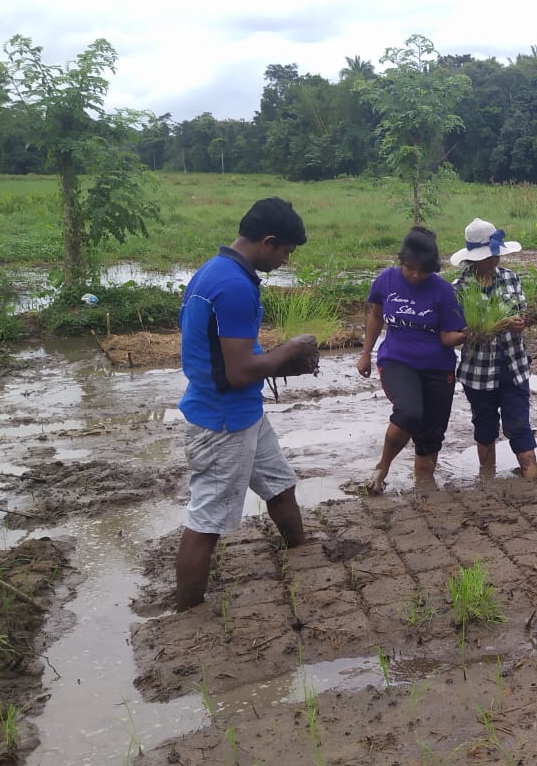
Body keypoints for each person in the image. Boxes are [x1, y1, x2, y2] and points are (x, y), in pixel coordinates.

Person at [176, 197, 321, 611]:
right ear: (268, 241)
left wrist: (282, 363)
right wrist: (291, 349)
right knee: (207, 522)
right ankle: (187, 614)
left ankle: (303, 554)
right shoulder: (234, 286)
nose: (286, 260)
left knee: (279, 484)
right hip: (223, 421)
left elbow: (223, 356)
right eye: (287, 252)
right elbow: (239, 371)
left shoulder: (216, 271)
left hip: (243, 411)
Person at [357, 227, 466, 492]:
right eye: (410, 269)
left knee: (431, 436)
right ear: (401, 261)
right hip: (397, 360)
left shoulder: (443, 291)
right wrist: (365, 353)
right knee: (409, 412)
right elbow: (375, 315)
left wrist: (468, 335)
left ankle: (424, 491)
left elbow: (446, 338)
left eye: (423, 271)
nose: (416, 275)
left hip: (438, 369)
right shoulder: (386, 281)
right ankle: (382, 468)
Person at [450, 218, 537, 478]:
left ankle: (532, 479)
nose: (495, 259)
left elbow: (521, 313)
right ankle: (487, 483)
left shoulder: (511, 279)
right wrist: (500, 324)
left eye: (496, 254)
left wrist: (520, 323)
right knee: (485, 427)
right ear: (474, 259)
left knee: (519, 424)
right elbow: (464, 335)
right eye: (490, 255)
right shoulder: (459, 290)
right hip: (478, 373)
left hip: (514, 366)